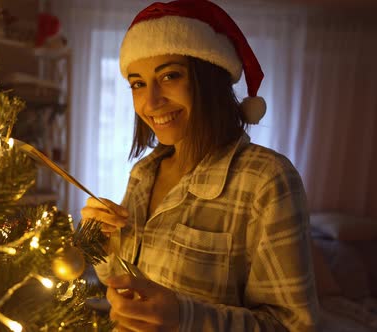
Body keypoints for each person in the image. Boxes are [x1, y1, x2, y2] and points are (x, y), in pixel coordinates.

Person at [81, 0, 320, 331]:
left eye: (170, 76)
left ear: (209, 78)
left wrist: (185, 318)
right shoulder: (143, 173)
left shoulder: (267, 180)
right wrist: (105, 244)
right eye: (137, 83)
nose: (150, 102)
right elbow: (125, 281)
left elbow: (294, 325)